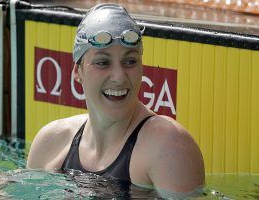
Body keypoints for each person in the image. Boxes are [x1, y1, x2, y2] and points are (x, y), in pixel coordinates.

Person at [27, 3, 205, 196]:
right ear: (78, 72)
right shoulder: (52, 141)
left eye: (130, 61)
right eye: (103, 62)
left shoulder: (168, 147)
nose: (119, 77)